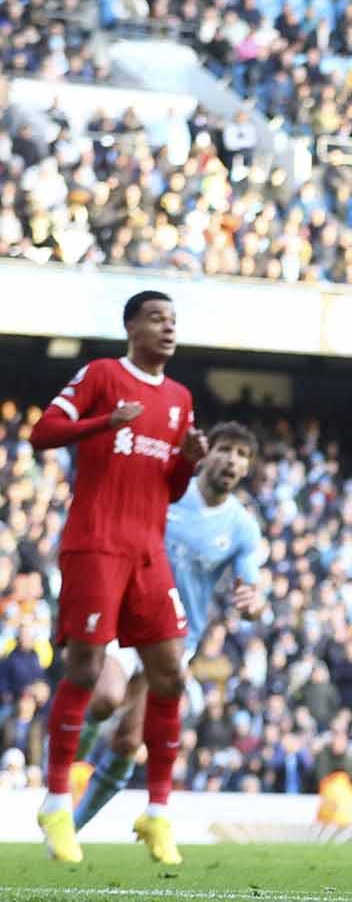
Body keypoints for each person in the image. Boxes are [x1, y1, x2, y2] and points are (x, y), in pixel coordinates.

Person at [29, 290, 206, 865]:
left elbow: (169, 489)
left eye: (173, 321)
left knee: (171, 674)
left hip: (149, 551)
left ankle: (157, 812)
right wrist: (107, 421)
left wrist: (188, 463)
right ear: (131, 327)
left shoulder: (181, 399)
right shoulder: (103, 375)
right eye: (156, 319)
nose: (167, 329)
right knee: (84, 668)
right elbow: (43, 432)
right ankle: (57, 802)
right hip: (96, 543)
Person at [72, 422, 265, 831]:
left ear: (247, 468)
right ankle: (63, 768)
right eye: (225, 449)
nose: (232, 460)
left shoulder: (242, 527)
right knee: (106, 697)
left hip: (179, 639)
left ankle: (70, 826)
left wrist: (252, 604)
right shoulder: (166, 491)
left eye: (242, 455)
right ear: (207, 453)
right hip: (129, 617)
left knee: (129, 741)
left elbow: (250, 588)